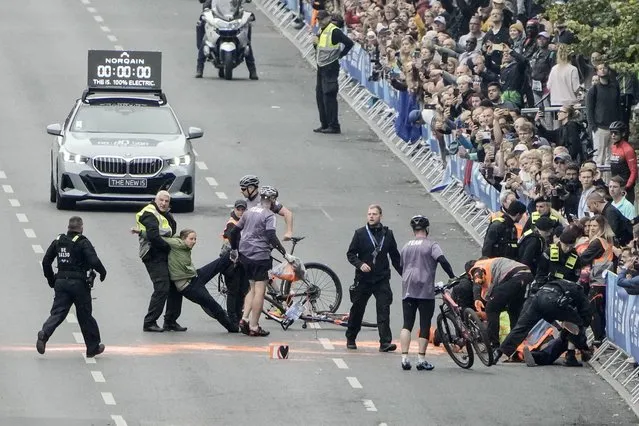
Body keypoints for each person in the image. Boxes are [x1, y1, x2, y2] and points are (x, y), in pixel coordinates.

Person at [134, 227, 238, 332]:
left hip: (194, 276)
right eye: (191, 239)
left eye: (195, 239)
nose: (194, 242)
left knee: (220, 262)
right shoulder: (175, 243)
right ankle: (233, 328)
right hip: (189, 286)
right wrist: (140, 232)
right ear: (183, 239)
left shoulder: (184, 246)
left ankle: (238, 252)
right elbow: (156, 237)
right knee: (214, 306)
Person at [36, 216, 107, 358]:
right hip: (79, 284)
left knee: (58, 313)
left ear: (68, 227)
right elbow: (93, 260)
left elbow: (46, 262)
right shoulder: (83, 242)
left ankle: (44, 334)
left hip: (61, 283)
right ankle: (92, 348)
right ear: (81, 228)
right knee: (85, 316)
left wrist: (52, 280)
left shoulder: (58, 241)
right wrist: (103, 272)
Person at [229, 186, 294, 336]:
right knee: (260, 291)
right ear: (271, 200)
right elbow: (271, 236)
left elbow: (234, 231)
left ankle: (244, 318)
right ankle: (254, 326)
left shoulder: (248, 212)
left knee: (251, 288)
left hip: (245, 254)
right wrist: (284, 253)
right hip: (260, 256)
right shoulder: (269, 215)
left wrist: (234, 250)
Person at [399, 215, 455, 371]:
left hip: (408, 288)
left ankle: (404, 358)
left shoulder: (406, 246)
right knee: (424, 324)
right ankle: (421, 359)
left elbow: (400, 265)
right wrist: (452, 276)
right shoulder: (431, 245)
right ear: (427, 229)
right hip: (425, 289)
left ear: (413, 230)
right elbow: (442, 260)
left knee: (407, 324)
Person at [497, 278, 592, 366]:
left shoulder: (563, 284)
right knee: (576, 326)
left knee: (521, 327)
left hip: (538, 297)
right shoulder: (581, 295)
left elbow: (554, 317)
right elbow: (580, 324)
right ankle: (571, 357)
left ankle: (499, 353)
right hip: (553, 300)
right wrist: (583, 347)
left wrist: (562, 329)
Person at [346, 204, 401, 352]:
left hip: (381, 278)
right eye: (369, 214)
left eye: (374, 214)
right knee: (358, 309)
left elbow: (395, 257)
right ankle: (351, 337)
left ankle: (385, 342)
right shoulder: (360, 233)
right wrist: (360, 264)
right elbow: (350, 254)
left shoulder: (387, 234)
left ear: (380, 216)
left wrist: (405, 274)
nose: (371, 216)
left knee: (383, 309)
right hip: (363, 279)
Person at [136, 191, 184, 333]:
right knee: (162, 287)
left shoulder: (166, 214)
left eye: (166, 201)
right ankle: (149, 322)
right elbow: (153, 236)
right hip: (152, 253)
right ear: (155, 200)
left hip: (164, 253)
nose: (163, 203)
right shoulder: (149, 213)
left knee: (176, 285)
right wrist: (170, 247)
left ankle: (170, 321)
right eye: (161, 200)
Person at [469, 257, 533, 350]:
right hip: (527, 275)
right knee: (514, 310)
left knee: (491, 308)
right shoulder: (493, 266)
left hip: (516, 276)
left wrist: (477, 298)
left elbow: (477, 281)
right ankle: (515, 345)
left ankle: (493, 344)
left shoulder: (478, 267)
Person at [313, 10, 354, 134]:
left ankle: (334, 125)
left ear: (328, 18)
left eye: (322, 19)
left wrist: (340, 55)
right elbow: (320, 47)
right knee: (320, 95)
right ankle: (324, 123)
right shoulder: (321, 29)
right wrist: (315, 44)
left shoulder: (334, 30)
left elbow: (349, 43)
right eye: (318, 19)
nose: (320, 22)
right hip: (321, 65)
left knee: (329, 95)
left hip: (330, 67)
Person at [196, 0, 258, 79]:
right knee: (206, 39)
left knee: (245, 41)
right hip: (215, 16)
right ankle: (199, 68)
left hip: (234, 17)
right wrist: (206, 9)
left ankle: (252, 70)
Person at [239, 175, 294, 240]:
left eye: (243, 189)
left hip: (262, 242)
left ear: (251, 188)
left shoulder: (265, 199)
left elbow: (287, 213)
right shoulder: (245, 202)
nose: (241, 191)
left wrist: (289, 232)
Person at [221, 199, 249, 327]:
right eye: (239, 209)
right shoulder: (232, 223)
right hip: (231, 263)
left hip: (242, 262)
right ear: (235, 209)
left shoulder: (245, 222)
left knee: (242, 290)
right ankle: (232, 318)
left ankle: (238, 317)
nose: (241, 212)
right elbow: (231, 236)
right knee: (233, 291)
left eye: (243, 209)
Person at [609, 121, 637, 204]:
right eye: (611, 133)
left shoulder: (628, 149)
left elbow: (634, 171)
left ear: (623, 134)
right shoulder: (613, 147)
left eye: (616, 133)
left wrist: (627, 187)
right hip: (615, 186)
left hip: (625, 187)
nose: (613, 135)